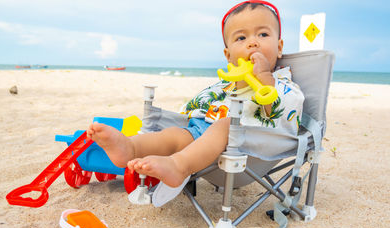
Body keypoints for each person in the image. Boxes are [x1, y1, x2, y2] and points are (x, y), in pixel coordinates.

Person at [87, 0, 304, 206]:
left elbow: (284, 110)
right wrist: (190, 115)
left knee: (225, 125)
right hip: (203, 136)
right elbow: (203, 103)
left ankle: (178, 166)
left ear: (279, 47)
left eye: (263, 34)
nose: (253, 42)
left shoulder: (281, 81)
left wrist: (265, 76)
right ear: (228, 56)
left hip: (249, 143)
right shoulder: (227, 83)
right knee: (175, 134)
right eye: (241, 38)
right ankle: (130, 147)